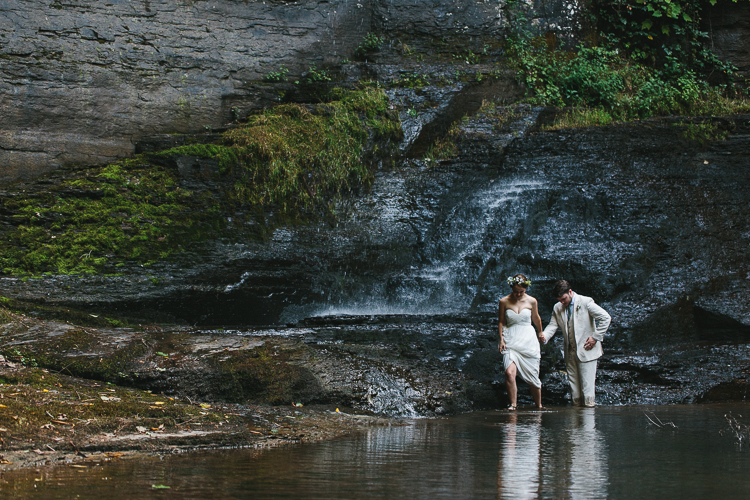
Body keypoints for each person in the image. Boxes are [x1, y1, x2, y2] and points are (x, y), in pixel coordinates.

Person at [540, 280, 611, 407]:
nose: (562, 302)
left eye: (563, 299)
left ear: (570, 292)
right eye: (559, 299)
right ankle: (576, 423)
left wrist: (595, 337)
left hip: (587, 350)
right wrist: (544, 336)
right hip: (570, 352)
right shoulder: (557, 307)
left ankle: (588, 423)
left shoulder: (586, 302)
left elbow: (606, 318)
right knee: (574, 390)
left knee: (587, 389)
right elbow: (552, 325)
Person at [498, 274, 544, 410]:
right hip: (510, 338)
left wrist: (540, 331)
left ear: (526, 289)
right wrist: (501, 339)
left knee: (533, 376)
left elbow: (536, 318)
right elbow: (501, 321)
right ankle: (513, 404)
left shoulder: (532, 301)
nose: (518, 295)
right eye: (515, 292)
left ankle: (539, 405)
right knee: (509, 373)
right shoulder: (504, 301)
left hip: (528, 340)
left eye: (521, 292)